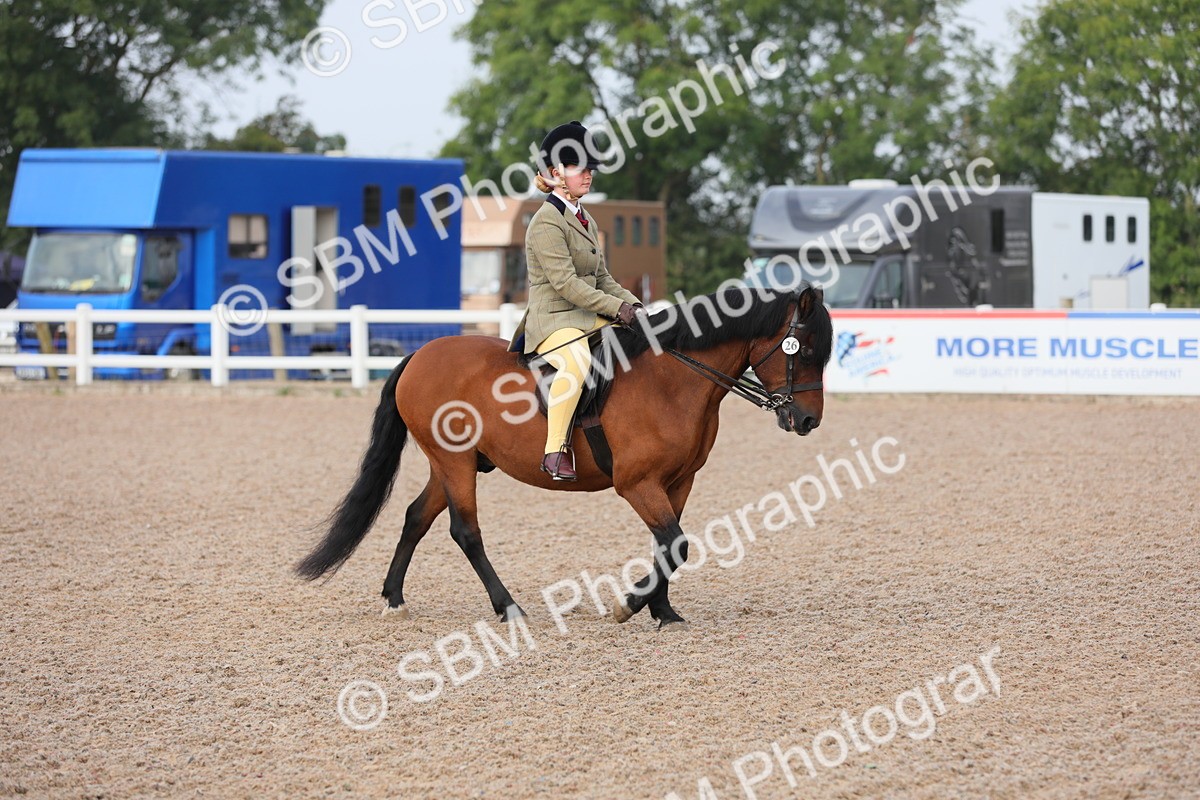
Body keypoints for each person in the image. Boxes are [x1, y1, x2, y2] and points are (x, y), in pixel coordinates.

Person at [507, 121, 644, 481]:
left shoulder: (584, 218)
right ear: (556, 174)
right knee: (577, 362)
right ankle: (555, 451)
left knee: (635, 343)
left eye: (590, 169)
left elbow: (602, 278)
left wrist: (637, 307)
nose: (589, 175)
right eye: (581, 168)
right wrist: (617, 309)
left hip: (586, 315)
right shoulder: (545, 223)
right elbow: (566, 284)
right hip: (554, 320)